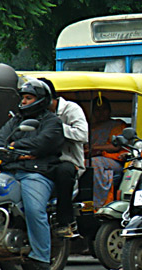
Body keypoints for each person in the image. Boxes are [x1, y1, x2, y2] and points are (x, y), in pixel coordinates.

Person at [0, 79, 65, 270]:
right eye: (23, 98)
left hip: (36, 173)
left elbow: (43, 143)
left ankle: (42, 263)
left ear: (40, 100)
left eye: (29, 98)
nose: (24, 102)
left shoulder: (52, 121)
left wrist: (15, 146)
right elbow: (0, 141)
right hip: (10, 172)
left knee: (34, 209)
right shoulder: (15, 120)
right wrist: (15, 152)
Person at [38, 78, 88, 237]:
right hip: (41, 162)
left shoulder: (71, 109)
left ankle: (65, 221)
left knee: (64, 172)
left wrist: (56, 127)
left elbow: (82, 135)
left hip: (68, 162)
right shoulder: (35, 113)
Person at [88, 97, 127, 210]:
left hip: (114, 160)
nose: (101, 113)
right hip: (89, 158)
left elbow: (116, 146)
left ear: (109, 110)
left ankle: (100, 204)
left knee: (95, 163)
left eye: (104, 109)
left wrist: (94, 148)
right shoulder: (89, 127)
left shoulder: (117, 125)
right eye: (97, 110)